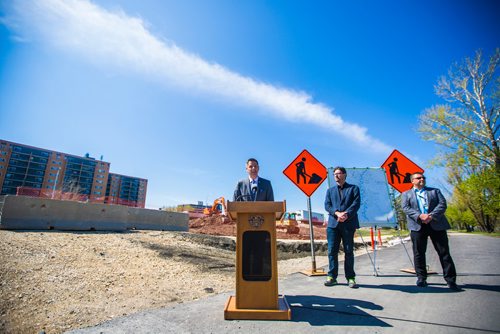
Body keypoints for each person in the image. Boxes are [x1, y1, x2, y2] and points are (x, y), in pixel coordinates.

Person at [402, 172, 459, 291]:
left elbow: (442, 204)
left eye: (423, 177)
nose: (422, 179)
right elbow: (406, 208)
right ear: (412, 181)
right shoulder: (406, 194)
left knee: (444, 253)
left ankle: (450, 280)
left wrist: (431, 216)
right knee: (419, 254)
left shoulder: (435, 191)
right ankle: (421, 278)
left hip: (436, 225)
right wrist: (419, 216)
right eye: (418, 178)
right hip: (417, 226)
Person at [324, 167, 360, 288]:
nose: (336, 176)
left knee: (349, 251)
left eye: (338, 174)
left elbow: (356, 204)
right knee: (332, 251)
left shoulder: (353, 188)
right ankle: (332, 277)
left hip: (348, 224)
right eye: (334, 174)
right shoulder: (330, 191)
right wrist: (337, 213)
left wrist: (346, 214)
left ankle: (350, 277)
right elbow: (327, 205)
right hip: (333, 225)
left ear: (344, 175)